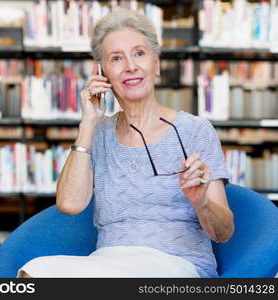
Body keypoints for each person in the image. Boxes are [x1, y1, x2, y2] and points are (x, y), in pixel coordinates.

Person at [18, 8, 234, 278]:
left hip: (176, 265)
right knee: (34, 272)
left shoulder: (195, 130)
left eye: (139, 53)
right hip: (108, 263)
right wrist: (88, 123)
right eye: (116, 58)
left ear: (156, 63)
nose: (130, 65)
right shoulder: (99, 133)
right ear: (102, 73)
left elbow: (223, 233)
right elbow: (70, 204)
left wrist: (201, 201)